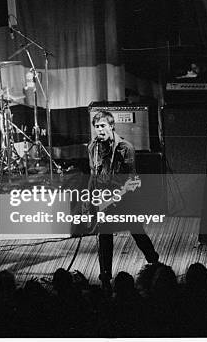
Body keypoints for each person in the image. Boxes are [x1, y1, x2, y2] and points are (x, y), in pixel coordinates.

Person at [87, 111, 159, 290]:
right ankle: (105, 279)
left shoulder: (125, 148)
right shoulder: (92, 148)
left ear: (111, 126)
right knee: (104, 237)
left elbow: (132, 179)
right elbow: (93, 175)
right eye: (96, 127)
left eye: (103, 126)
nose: (99, 130)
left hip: (124, 198)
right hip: (104, 200)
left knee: (137, 231)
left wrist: (118, 195)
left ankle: (155, 263)